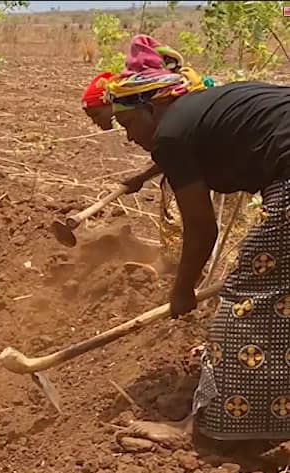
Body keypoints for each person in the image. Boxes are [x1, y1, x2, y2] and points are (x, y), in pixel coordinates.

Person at [102, 37, 290, 448]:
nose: (129, 138)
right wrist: (145, 175)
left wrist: (182, 287)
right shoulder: (197, 108)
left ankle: (207, 432)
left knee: (246, 304)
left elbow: (203, 229)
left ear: (151, 108)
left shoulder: (171, 134)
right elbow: (197, 141)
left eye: (128, 125)